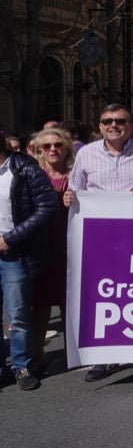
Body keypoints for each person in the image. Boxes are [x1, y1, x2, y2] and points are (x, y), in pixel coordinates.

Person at [65, 104, 133, 383]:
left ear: (131, 125)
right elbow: (74, 189)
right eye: (107, 121)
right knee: (105, 298)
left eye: (120, 120)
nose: (113, 125)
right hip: (101, 240)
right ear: (99, 126)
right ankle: (105, 357)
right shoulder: (86, 153)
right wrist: (69, 198)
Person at [0, 124, 59, 391]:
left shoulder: (25, 170)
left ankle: (22, 366)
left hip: (14, 252)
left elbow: (47, 208)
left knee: (19, 313)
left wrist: (11, 237)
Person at [29, 127, 74, 363]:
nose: (53, 149)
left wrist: (76, 198)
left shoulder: (77, 175)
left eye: (58, 144)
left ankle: (74, 350)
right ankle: (37, 351)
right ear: (39, 150)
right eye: (47, 146)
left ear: (67, 147)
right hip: (40, 248)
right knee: (41, 302)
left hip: (71, 248)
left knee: (72, 301)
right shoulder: (32, 175)